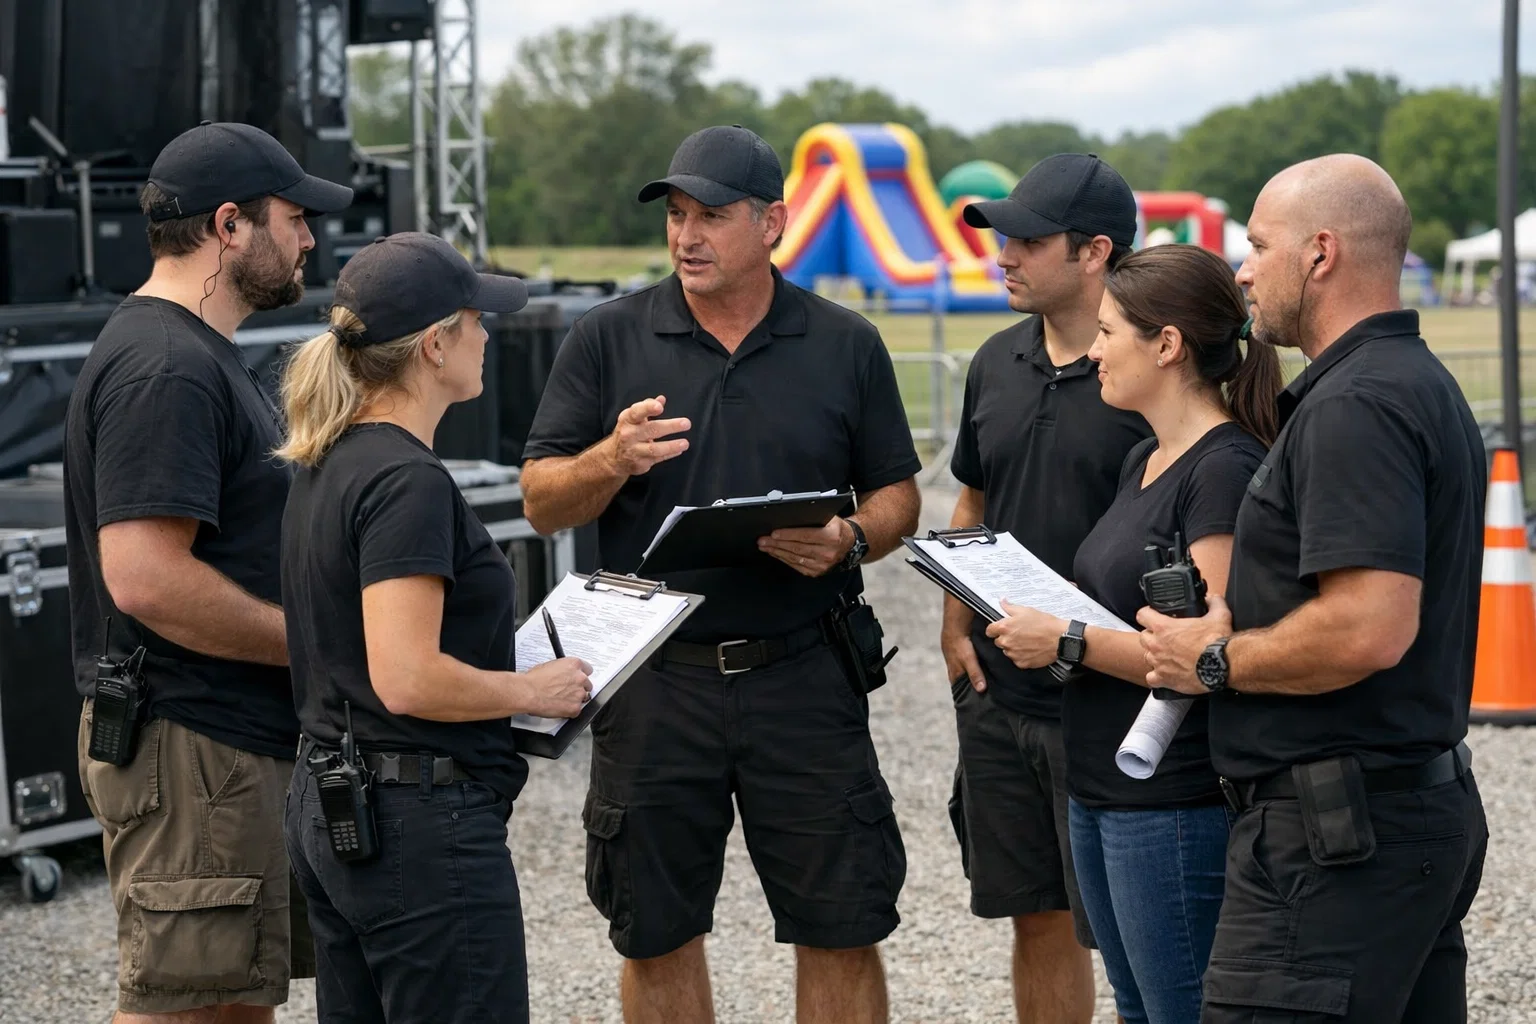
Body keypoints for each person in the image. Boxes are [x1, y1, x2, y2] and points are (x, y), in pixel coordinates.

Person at [520, 125, 922, 1024]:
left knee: (842, 922)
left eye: (712, 216)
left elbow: (900, 495)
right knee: (654, 931)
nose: (686, 237)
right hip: (655, 682)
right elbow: (544, 501)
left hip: (805, 673)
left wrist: (851, 536)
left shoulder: (845, 343)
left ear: (772, 221)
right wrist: (611, 459)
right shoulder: (606, 338)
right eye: (675, 216)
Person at [1139, 155, 1489, 1023]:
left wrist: (1212, 657)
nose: (1244, 267)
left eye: (1258, 245)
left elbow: (1370, 626)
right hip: (1392, 819)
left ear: (1321, 252)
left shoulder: (1356, 405)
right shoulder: (1411, 381)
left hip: (1338, 841)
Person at [63, 121, 352, 1022]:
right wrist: (324, 644)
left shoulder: (192, 353)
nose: (309, 238)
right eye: (294, 217)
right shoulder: (167, 367)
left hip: (220, 749)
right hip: (191, 744)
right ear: (230, 226)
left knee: (230, 1003)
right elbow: (147, 579)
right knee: (184, 1010)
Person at [276, 232, 594, 1023]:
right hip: (416, 829)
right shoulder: (404, 479)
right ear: (435, 344)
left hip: (335, 804)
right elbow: (406, 675)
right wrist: (534, 688)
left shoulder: (330, 458)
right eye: (477, 319)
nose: (488, 335)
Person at [985, 244, 1281, 1023]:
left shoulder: (1222, 469)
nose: (1093, 350)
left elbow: (1207, 652)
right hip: (1102, 787)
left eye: (1110, 332)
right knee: (1137, 1009)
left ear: (1168, 345)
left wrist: (1067, 641)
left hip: (1172, 799)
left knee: (1178, 1011)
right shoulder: (1146, 458)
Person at [945, 154, 1151, 1023]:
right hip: (1002, 693)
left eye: (1028, 239)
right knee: (1038, 918)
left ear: (1094, 251)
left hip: (1115, 697)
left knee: (1139, 930)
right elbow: (972, 498)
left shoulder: (1150, 372)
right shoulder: (994, 361)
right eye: (1004, 237)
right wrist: (955, 630)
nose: (1006, 253)